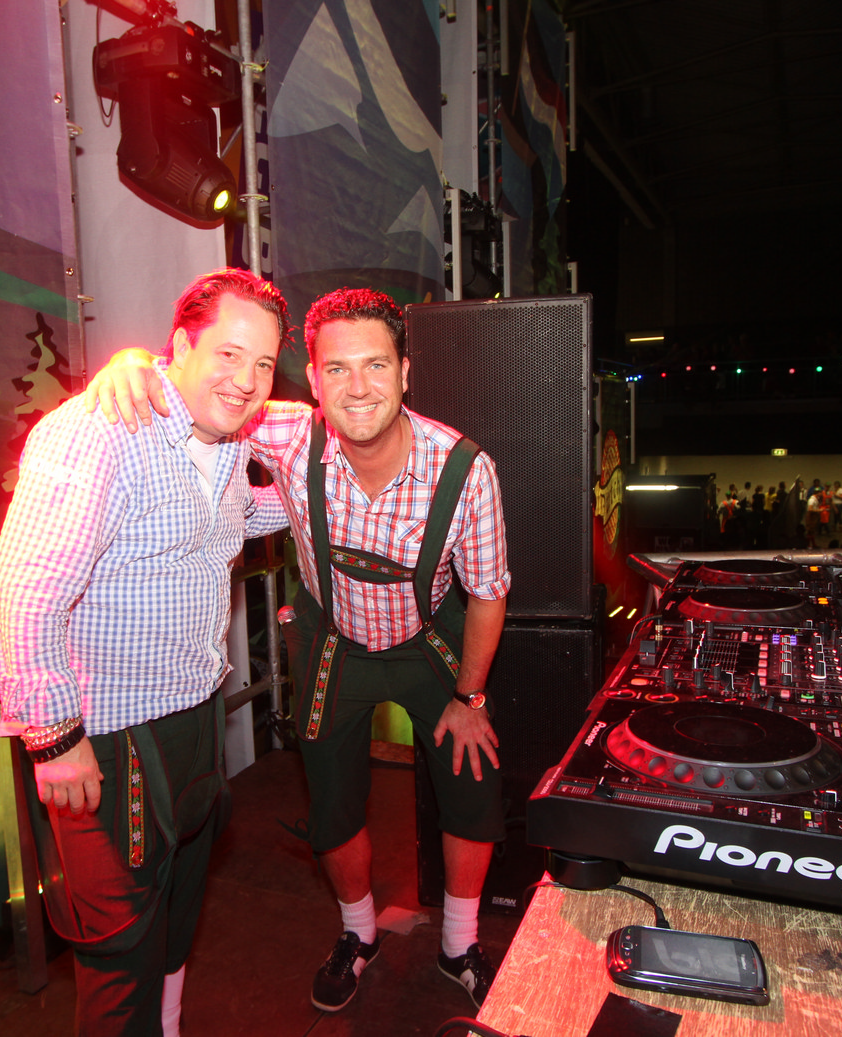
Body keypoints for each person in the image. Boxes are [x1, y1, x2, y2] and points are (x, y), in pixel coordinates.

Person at [86, 287, 511, 1014]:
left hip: (429, 639)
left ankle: (459, 942)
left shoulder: (464, 468)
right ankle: (358, 933)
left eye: (376, 365)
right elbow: (194, 387)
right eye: (337, 369)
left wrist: (470, 696)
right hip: (332, 640)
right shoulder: (281, 431)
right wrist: (130, 363)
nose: (358, 387)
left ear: (406, 371)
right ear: (312, 379)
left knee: (471, 782)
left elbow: (488, 593)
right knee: (333, 800)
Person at [0, 268, 292, 1037]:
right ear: (179, 345)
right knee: (119, 948)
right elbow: (22, 590)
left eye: (262, 364)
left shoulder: (225, 437)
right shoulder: (103, 429)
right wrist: (55, 738)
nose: (246, 380)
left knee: (177, 909)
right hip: (110, 735)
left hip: (194, 714)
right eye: (228, 354)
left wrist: (313, 499)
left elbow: (223, 518)